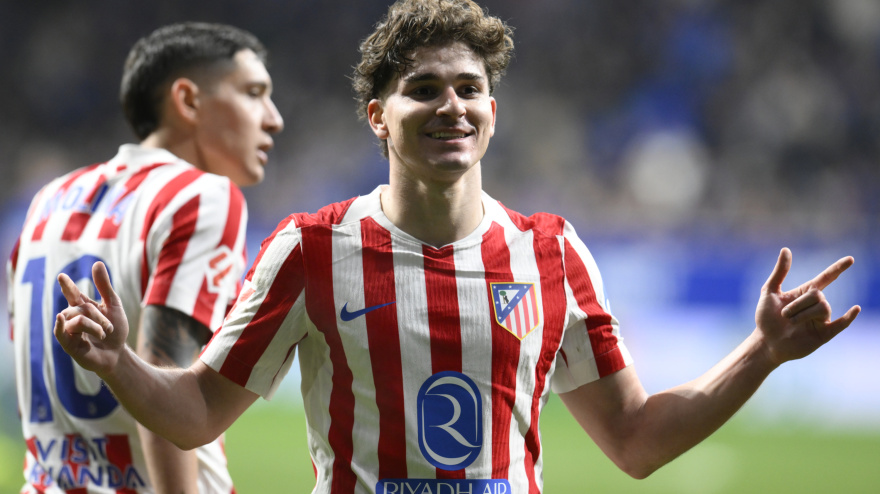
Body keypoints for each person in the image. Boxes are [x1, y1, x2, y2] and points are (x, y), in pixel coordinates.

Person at [52, 1, 860, 493]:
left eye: (470, 89)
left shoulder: (551, 253)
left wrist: (760, 352)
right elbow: (196, 412)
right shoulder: (310, 248)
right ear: (379, 115)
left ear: (494, 112)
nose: (453, 107)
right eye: (424, 89)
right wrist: (121, 361)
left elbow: (638, 440)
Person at [8, 22, 283, 493]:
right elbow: (168, 390)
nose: (273, 118)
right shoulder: (201, 196)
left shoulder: (46, 200)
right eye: (254, 93)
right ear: (188, 100)